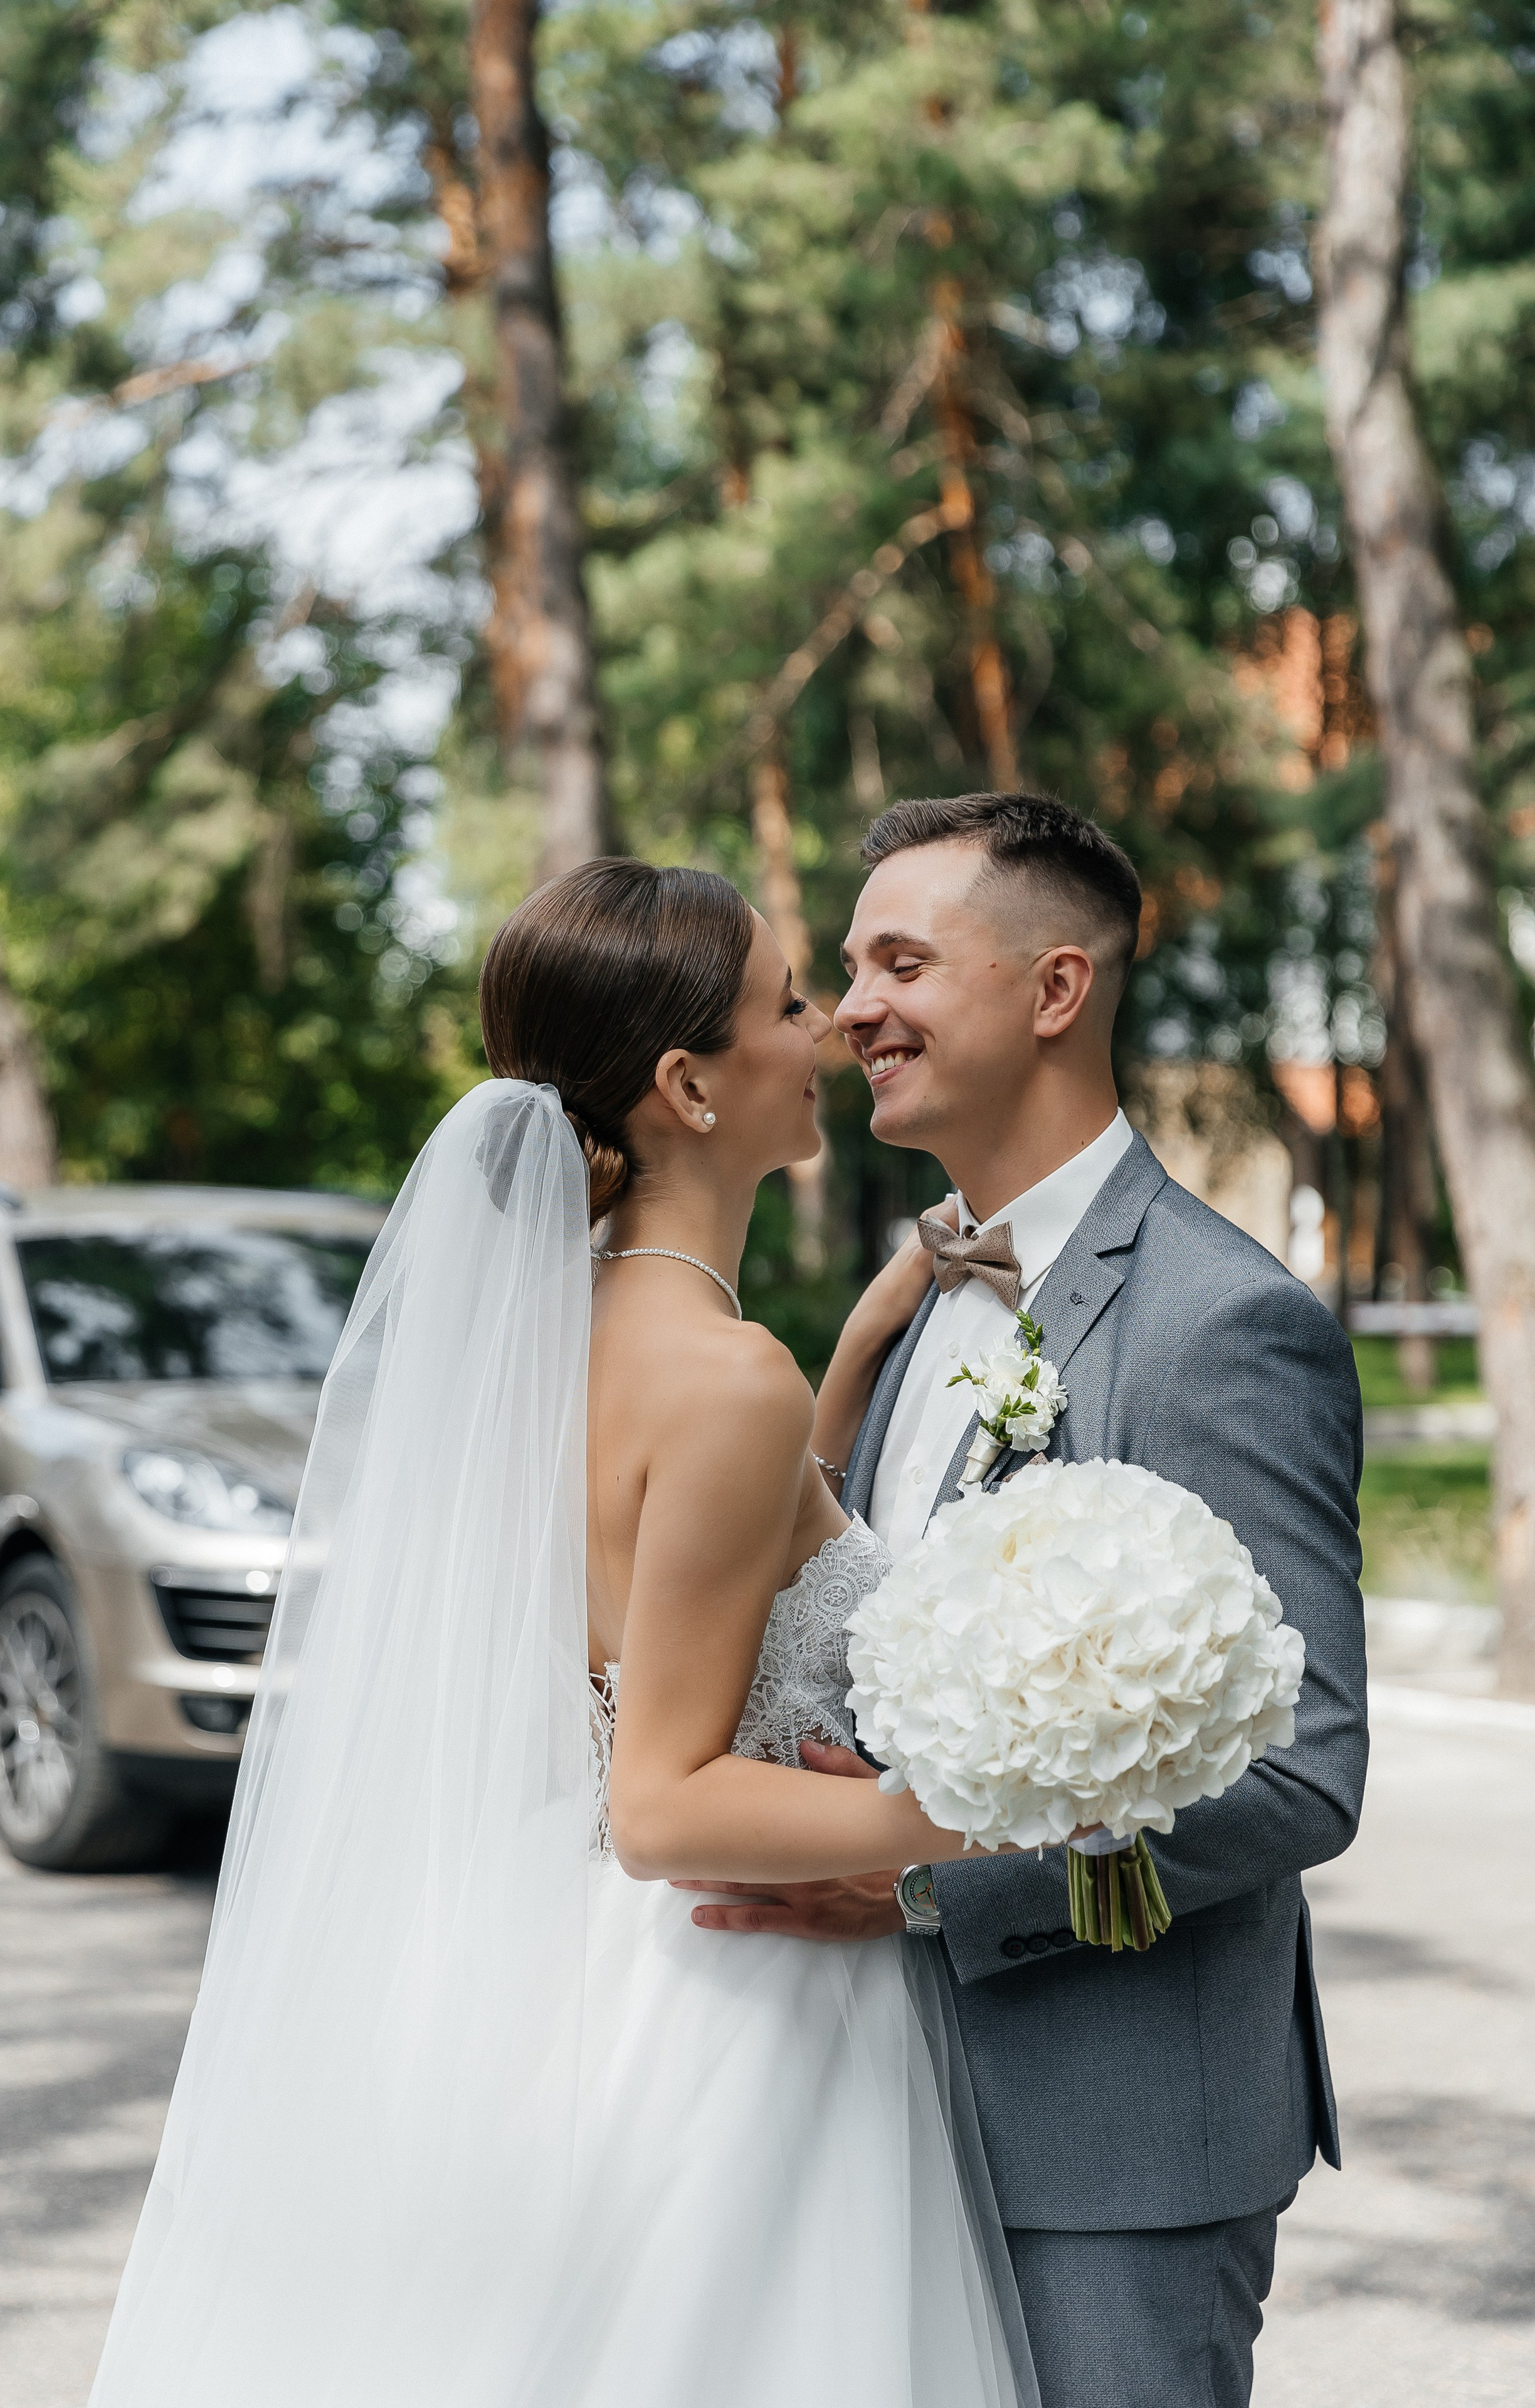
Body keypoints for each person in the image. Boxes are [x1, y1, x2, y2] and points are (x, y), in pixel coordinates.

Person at [88, 860, 1039, 2408]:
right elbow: (657, 1801)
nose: (825, 1027)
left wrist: (864, 1339)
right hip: (736, 2008)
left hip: (562, 1971)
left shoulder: (547, 1345)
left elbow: (713, 1571)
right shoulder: (725, 1379)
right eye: (785, 1003)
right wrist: (980, 1817)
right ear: (688, 1086)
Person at [680, 792, 1368, 2408]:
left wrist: (924, 1890)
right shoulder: (925, 1294)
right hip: (882, 2109)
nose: (850, 1010)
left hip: (1109, 2140)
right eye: (849, 970)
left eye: (900, 964)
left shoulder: (1219, 1323)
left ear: (1055, 989)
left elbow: (1301, 1771)